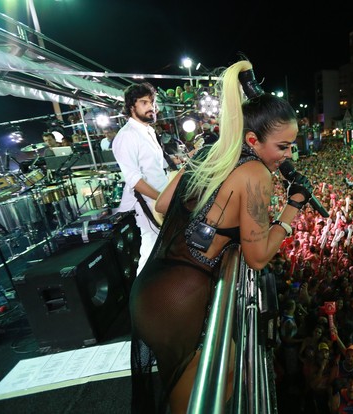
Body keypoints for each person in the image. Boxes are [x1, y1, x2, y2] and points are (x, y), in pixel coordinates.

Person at [129, 60, 312, 414]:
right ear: (253, 140)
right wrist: (293, 208)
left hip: (153, 288)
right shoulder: (256, 172)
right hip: (179, 298)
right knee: (197, 401)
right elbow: (258, 257)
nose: (289, 155)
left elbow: (164, 205)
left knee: (220, 373)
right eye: (284, 146)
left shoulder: (210, 154)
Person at [111, 82, 170, 275]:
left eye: (151, 102)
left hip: (161, 199)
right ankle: (141, 295)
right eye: (144, 102)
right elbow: (134, 179)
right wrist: (161, 198)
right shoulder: (126, 136)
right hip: (147, 203)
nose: (151, 106)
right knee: (150, 247)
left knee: (164, 246)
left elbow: (156, 167)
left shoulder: (148, 130)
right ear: (131, 107)